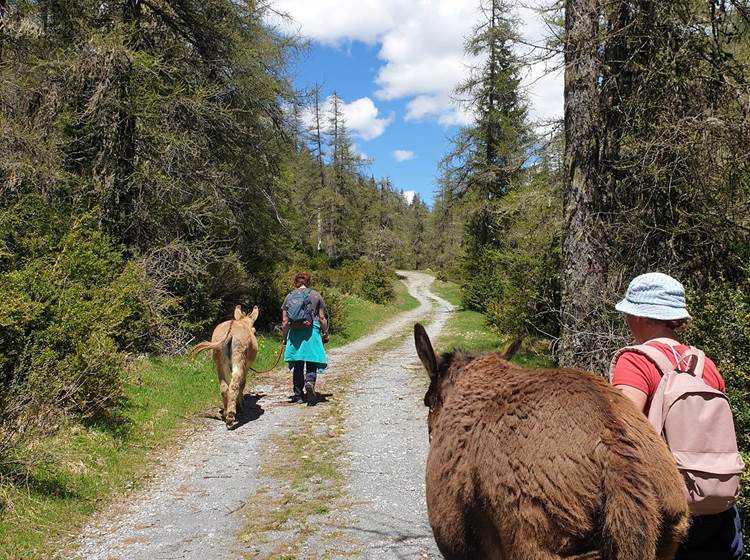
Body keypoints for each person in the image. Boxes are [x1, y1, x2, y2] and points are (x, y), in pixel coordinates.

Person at [610, 272, 743, 560]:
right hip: (718, 509)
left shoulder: (635, 361)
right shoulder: (707, 365)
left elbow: (621, 431)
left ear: (639, 317)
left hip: (666, 511)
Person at [281, 271, 329, 405]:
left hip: (295, 333)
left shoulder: (289, 297)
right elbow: (322, 318)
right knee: (311, 360)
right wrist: (325, 333)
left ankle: (298, 395)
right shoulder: (315, 295)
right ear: (308, 282)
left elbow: (285, 322)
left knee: (298, 363)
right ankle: (309, 382)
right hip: (311, 330)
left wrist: (284, 338)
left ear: (296, 282)